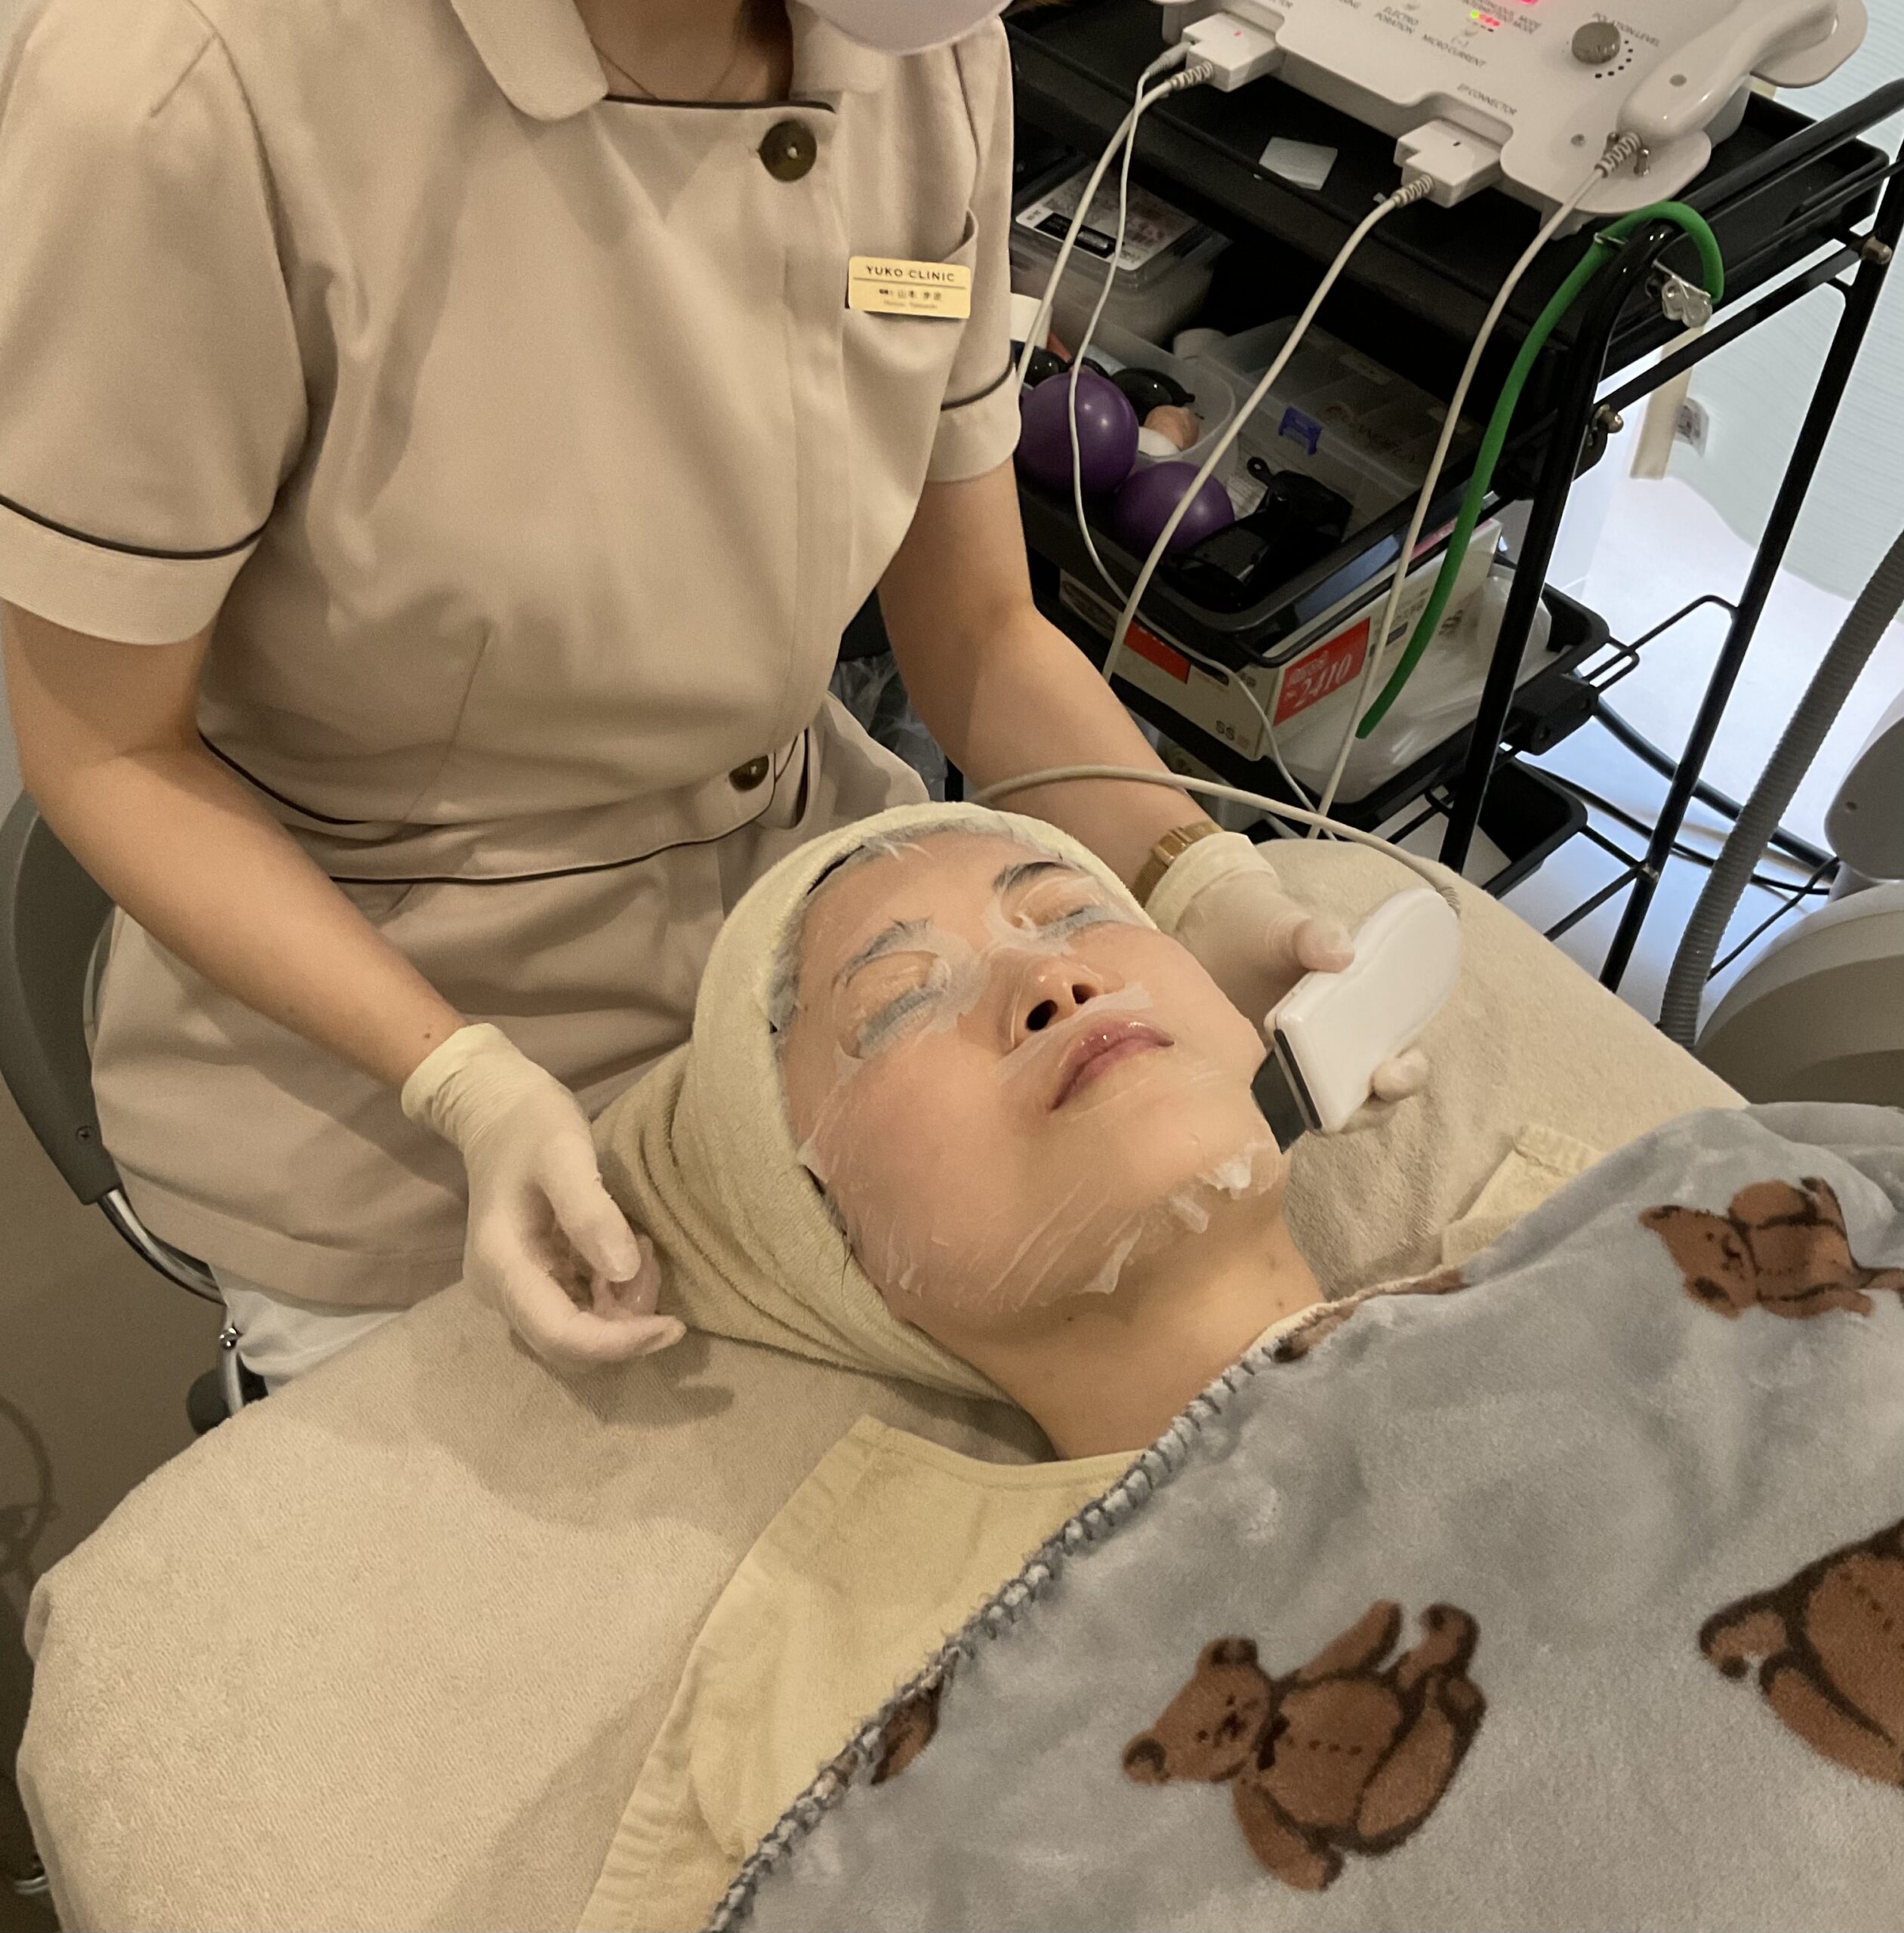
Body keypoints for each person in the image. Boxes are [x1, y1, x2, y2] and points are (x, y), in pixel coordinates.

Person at [0, 0, 1404, 1386]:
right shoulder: (187, 89)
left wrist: (1192, 878)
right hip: (390, 1069)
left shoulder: (920, 54)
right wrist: (462, 1086)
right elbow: (110, 753)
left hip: (825, 983)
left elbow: (978, 628)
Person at [583, 803, 1904, 1932]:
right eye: (895, 1007)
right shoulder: (916, 1767)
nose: (1048, 980)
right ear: (830, 1243)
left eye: (1070, 913)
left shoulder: (1700, 1203)